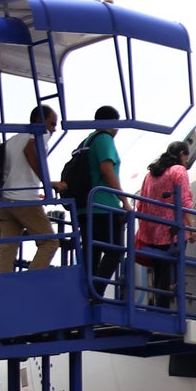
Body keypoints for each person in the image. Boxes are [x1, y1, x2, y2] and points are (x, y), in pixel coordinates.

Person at [0, 107, 58, 273]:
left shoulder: (13, 139)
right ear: (39, 120)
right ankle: (31, 280)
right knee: (50, 242)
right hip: (25, 198)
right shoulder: (40, 134)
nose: (54, 129)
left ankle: (2, 284)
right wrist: (48, 183)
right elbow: (29, 151)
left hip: (5, 200)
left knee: (7, 248)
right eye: (52, 124)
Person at [133, 140, 194, 309]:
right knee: (173, 269)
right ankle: (164, 307)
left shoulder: (150, 174)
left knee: (160, 270)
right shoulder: (178, 170)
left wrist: (145, 228)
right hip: (172, 231)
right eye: (186, 157)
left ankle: (160, 306)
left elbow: (141, 204)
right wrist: (191, 226)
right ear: (182, 154)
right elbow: (184, 200)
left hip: (152, 232)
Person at [82, 105, 126, 291]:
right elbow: (107, 169)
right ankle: (96, 292)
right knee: (115, 251)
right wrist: (124, 201)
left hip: (85, 205)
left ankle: (86, 292)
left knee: (92, 253)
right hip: (103, 204)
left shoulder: (87, 140)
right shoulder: (105, 138)